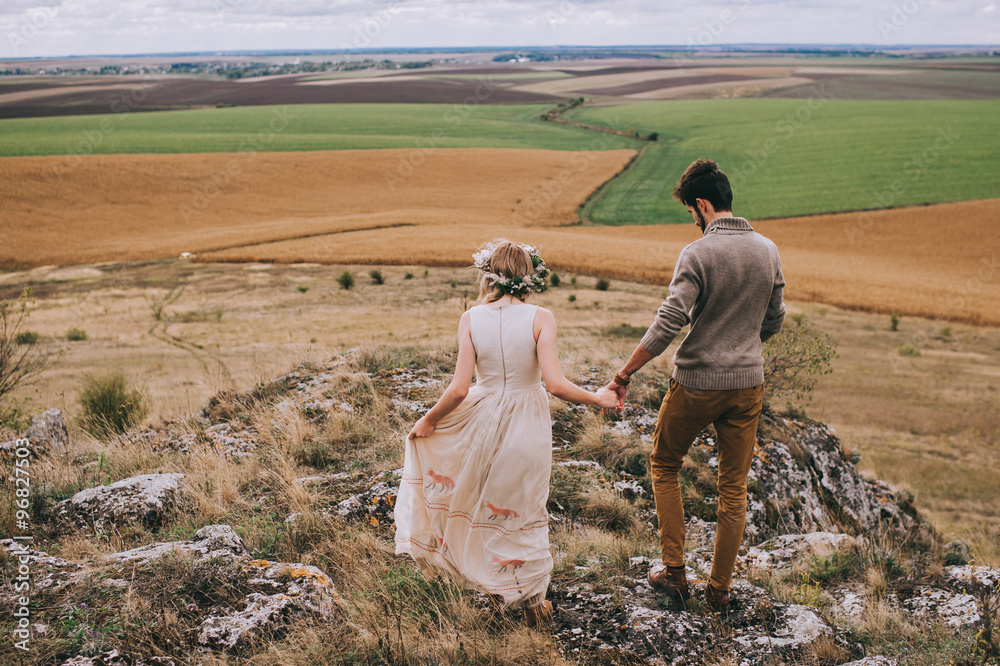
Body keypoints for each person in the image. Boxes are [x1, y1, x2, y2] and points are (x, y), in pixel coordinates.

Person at [394, 239, 621, 627]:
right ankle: (530, 604)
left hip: (480, 422)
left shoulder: (471, 318)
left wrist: (429, 420)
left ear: (488, 274)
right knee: (523, 506)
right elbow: (556, 385)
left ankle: (491, 585)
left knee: (482, 503)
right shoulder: (541, 316)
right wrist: (597, 397)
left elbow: (459, 389)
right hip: (525, 422)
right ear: (529, 276)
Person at [604, 159, 785, 614]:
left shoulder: (698, 253)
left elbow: (669, 322)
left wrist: (624, 374)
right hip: (748, 386)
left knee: (664, 464)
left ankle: (676, 572)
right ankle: (719, 589)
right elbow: (775, 318)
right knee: (734, 488)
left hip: (697, 382)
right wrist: (743, 343)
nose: (694, 219)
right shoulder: (768, 249)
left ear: (702, 205)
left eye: (691, 211)